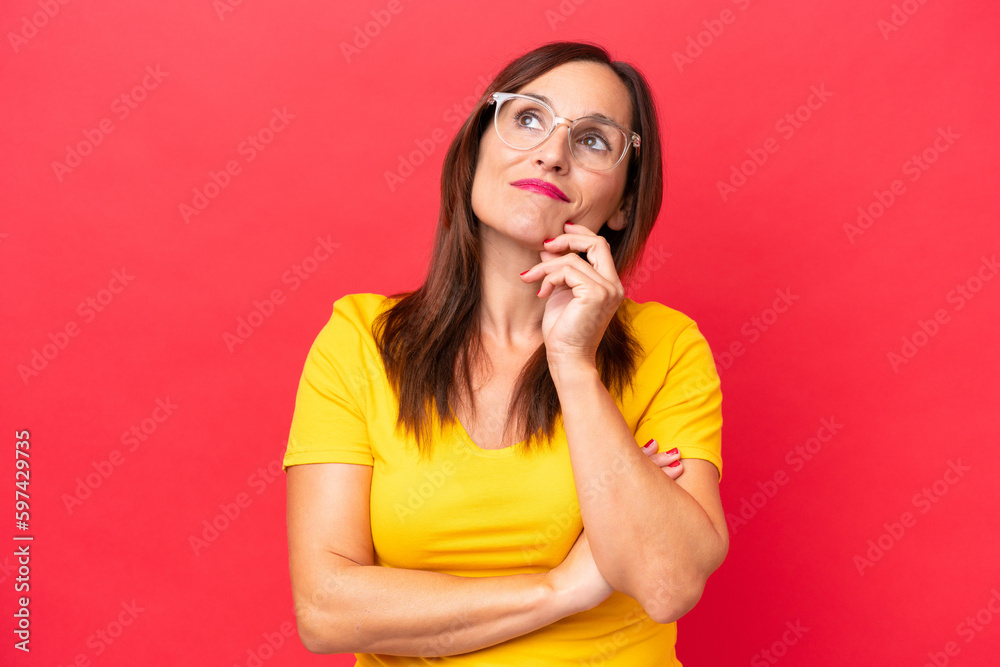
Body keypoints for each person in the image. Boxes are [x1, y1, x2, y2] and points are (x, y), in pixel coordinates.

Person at [282, 41, 728, 666]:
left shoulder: (668, 347)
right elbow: (326, 613)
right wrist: (562, 589)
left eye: (594, 141)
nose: (551, 153)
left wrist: (574, 364)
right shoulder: (362, 339)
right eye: (527, 117)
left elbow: (667, 582)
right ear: (474, 152)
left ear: (625, 202)